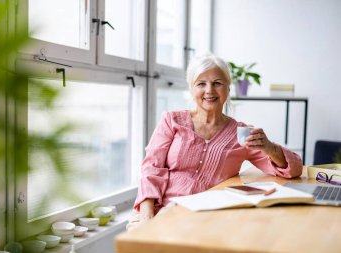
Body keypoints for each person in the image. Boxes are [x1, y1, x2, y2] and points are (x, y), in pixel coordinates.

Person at [127, 53, 303, 231]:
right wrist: (147, 218)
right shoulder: (171, 121)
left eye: (217, 83)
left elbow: (294, 169)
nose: (209, 90)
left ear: (227, 89)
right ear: (192, 89)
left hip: (207, 219)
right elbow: (151, 168)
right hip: (159, 210)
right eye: (201, 84)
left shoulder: (242, 134)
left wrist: (269, 148)